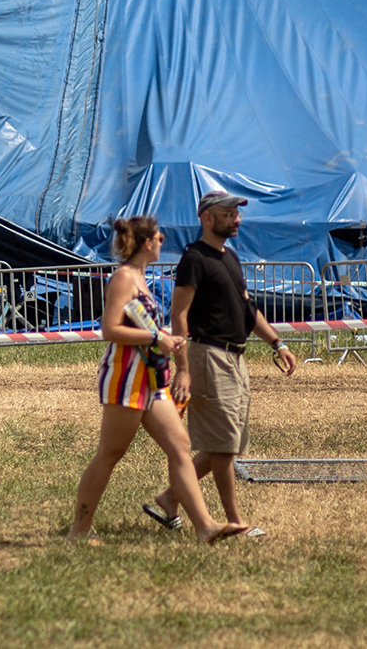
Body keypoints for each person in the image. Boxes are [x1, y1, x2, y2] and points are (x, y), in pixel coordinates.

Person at [67, 215, 248, 545]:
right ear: (147, 243)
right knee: (110, 453)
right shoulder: (124, 277)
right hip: (126, 376)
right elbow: (110, 330)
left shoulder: (140, 277)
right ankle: (78, 531)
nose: (163, 240)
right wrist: (157, 338)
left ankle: (205, 526)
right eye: (159, 237)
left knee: (180, 446)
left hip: (151, 378)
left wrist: (163, 340)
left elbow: (139, 326)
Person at [147, 190, 299, 538]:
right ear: (207, 217)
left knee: (222, 442)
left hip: (234, 356)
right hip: (208, 355)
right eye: (228, 212)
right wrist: (183, 367)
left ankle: (169, 498)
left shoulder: (230, 257)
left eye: (237, 213)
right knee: (225, 446)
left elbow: (248, 309)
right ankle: (236, 521)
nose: (237, 218)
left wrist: (278, 342)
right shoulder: (194, 259)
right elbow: (179, 314)